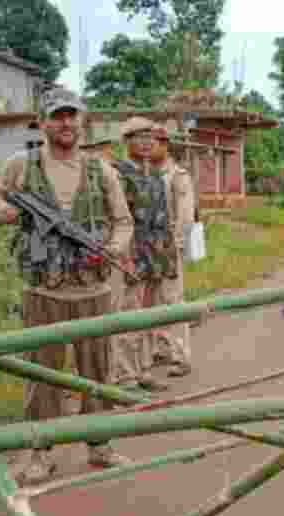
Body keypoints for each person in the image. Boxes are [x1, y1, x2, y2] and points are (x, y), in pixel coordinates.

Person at [0, 87, 136, 480]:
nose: (66, 123)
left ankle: (100, 443)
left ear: (82, 120)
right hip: (43, 290)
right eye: (58, 116)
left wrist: (113, 250)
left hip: (93, 289)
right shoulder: (22, 164)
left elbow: (123, 221)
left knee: (97, 372)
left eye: (72, 115)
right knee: (41, 373)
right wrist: (2, 210)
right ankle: (39, 450)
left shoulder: (101, 170)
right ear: (43, 122)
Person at [110, 117, 183, 394]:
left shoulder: (154, 174)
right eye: (138, 137)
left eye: (149, 137)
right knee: (129, 317)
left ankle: (144, 371)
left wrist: (169, 258)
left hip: (156, 254)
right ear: (126, 141)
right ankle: (124, 376)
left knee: (150, 318)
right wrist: (124, 257)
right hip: (132, 255)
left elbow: (164, 219)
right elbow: (118, 219)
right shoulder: (118, 173)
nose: (146, 142)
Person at [149, 121, 196, 376]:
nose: (148, 147)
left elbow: (186, 216)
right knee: (153, 301)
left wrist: (174, 246)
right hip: (147, 249)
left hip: (167, 247)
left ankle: (181, 356)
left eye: (153, 142)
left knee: (173, 300)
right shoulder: (147, 173)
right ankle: (162, 349)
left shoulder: (178, 176)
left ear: (165, 145)